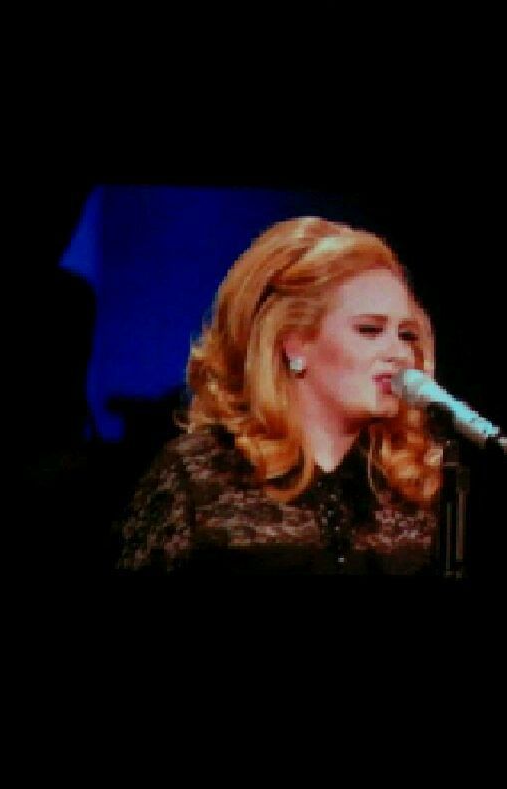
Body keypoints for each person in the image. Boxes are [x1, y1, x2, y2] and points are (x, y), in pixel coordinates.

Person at [116, 215, 441, 575]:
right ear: (293, 343)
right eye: (370, 330)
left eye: (407, 335)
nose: (399, 353)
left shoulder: (408, 490)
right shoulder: (199, 476)